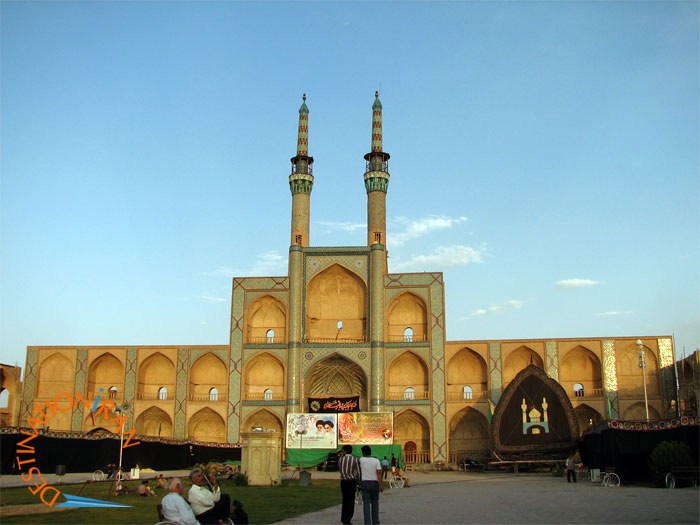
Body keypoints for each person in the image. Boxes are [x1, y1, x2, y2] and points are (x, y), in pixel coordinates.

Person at [359, 445, 382, 525]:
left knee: (366, 504)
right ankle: (375, 520)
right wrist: (380, 485)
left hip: (365, 483)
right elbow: (379, 473)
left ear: (363, 452)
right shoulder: (376, 461)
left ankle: (367, 522)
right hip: (374, 483)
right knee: (375, 502)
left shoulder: (361, 459)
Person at [338, 444, 360, 525]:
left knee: (345, 499)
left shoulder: (341, 459)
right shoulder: (355, 459)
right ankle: (348, 519)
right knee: (351, 500)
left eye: (343, 450)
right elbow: (357, 471)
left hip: (343, 482)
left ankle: (343, 518)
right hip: (351, 481)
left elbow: (340, 470)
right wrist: (358, 481)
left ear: (345, 451)